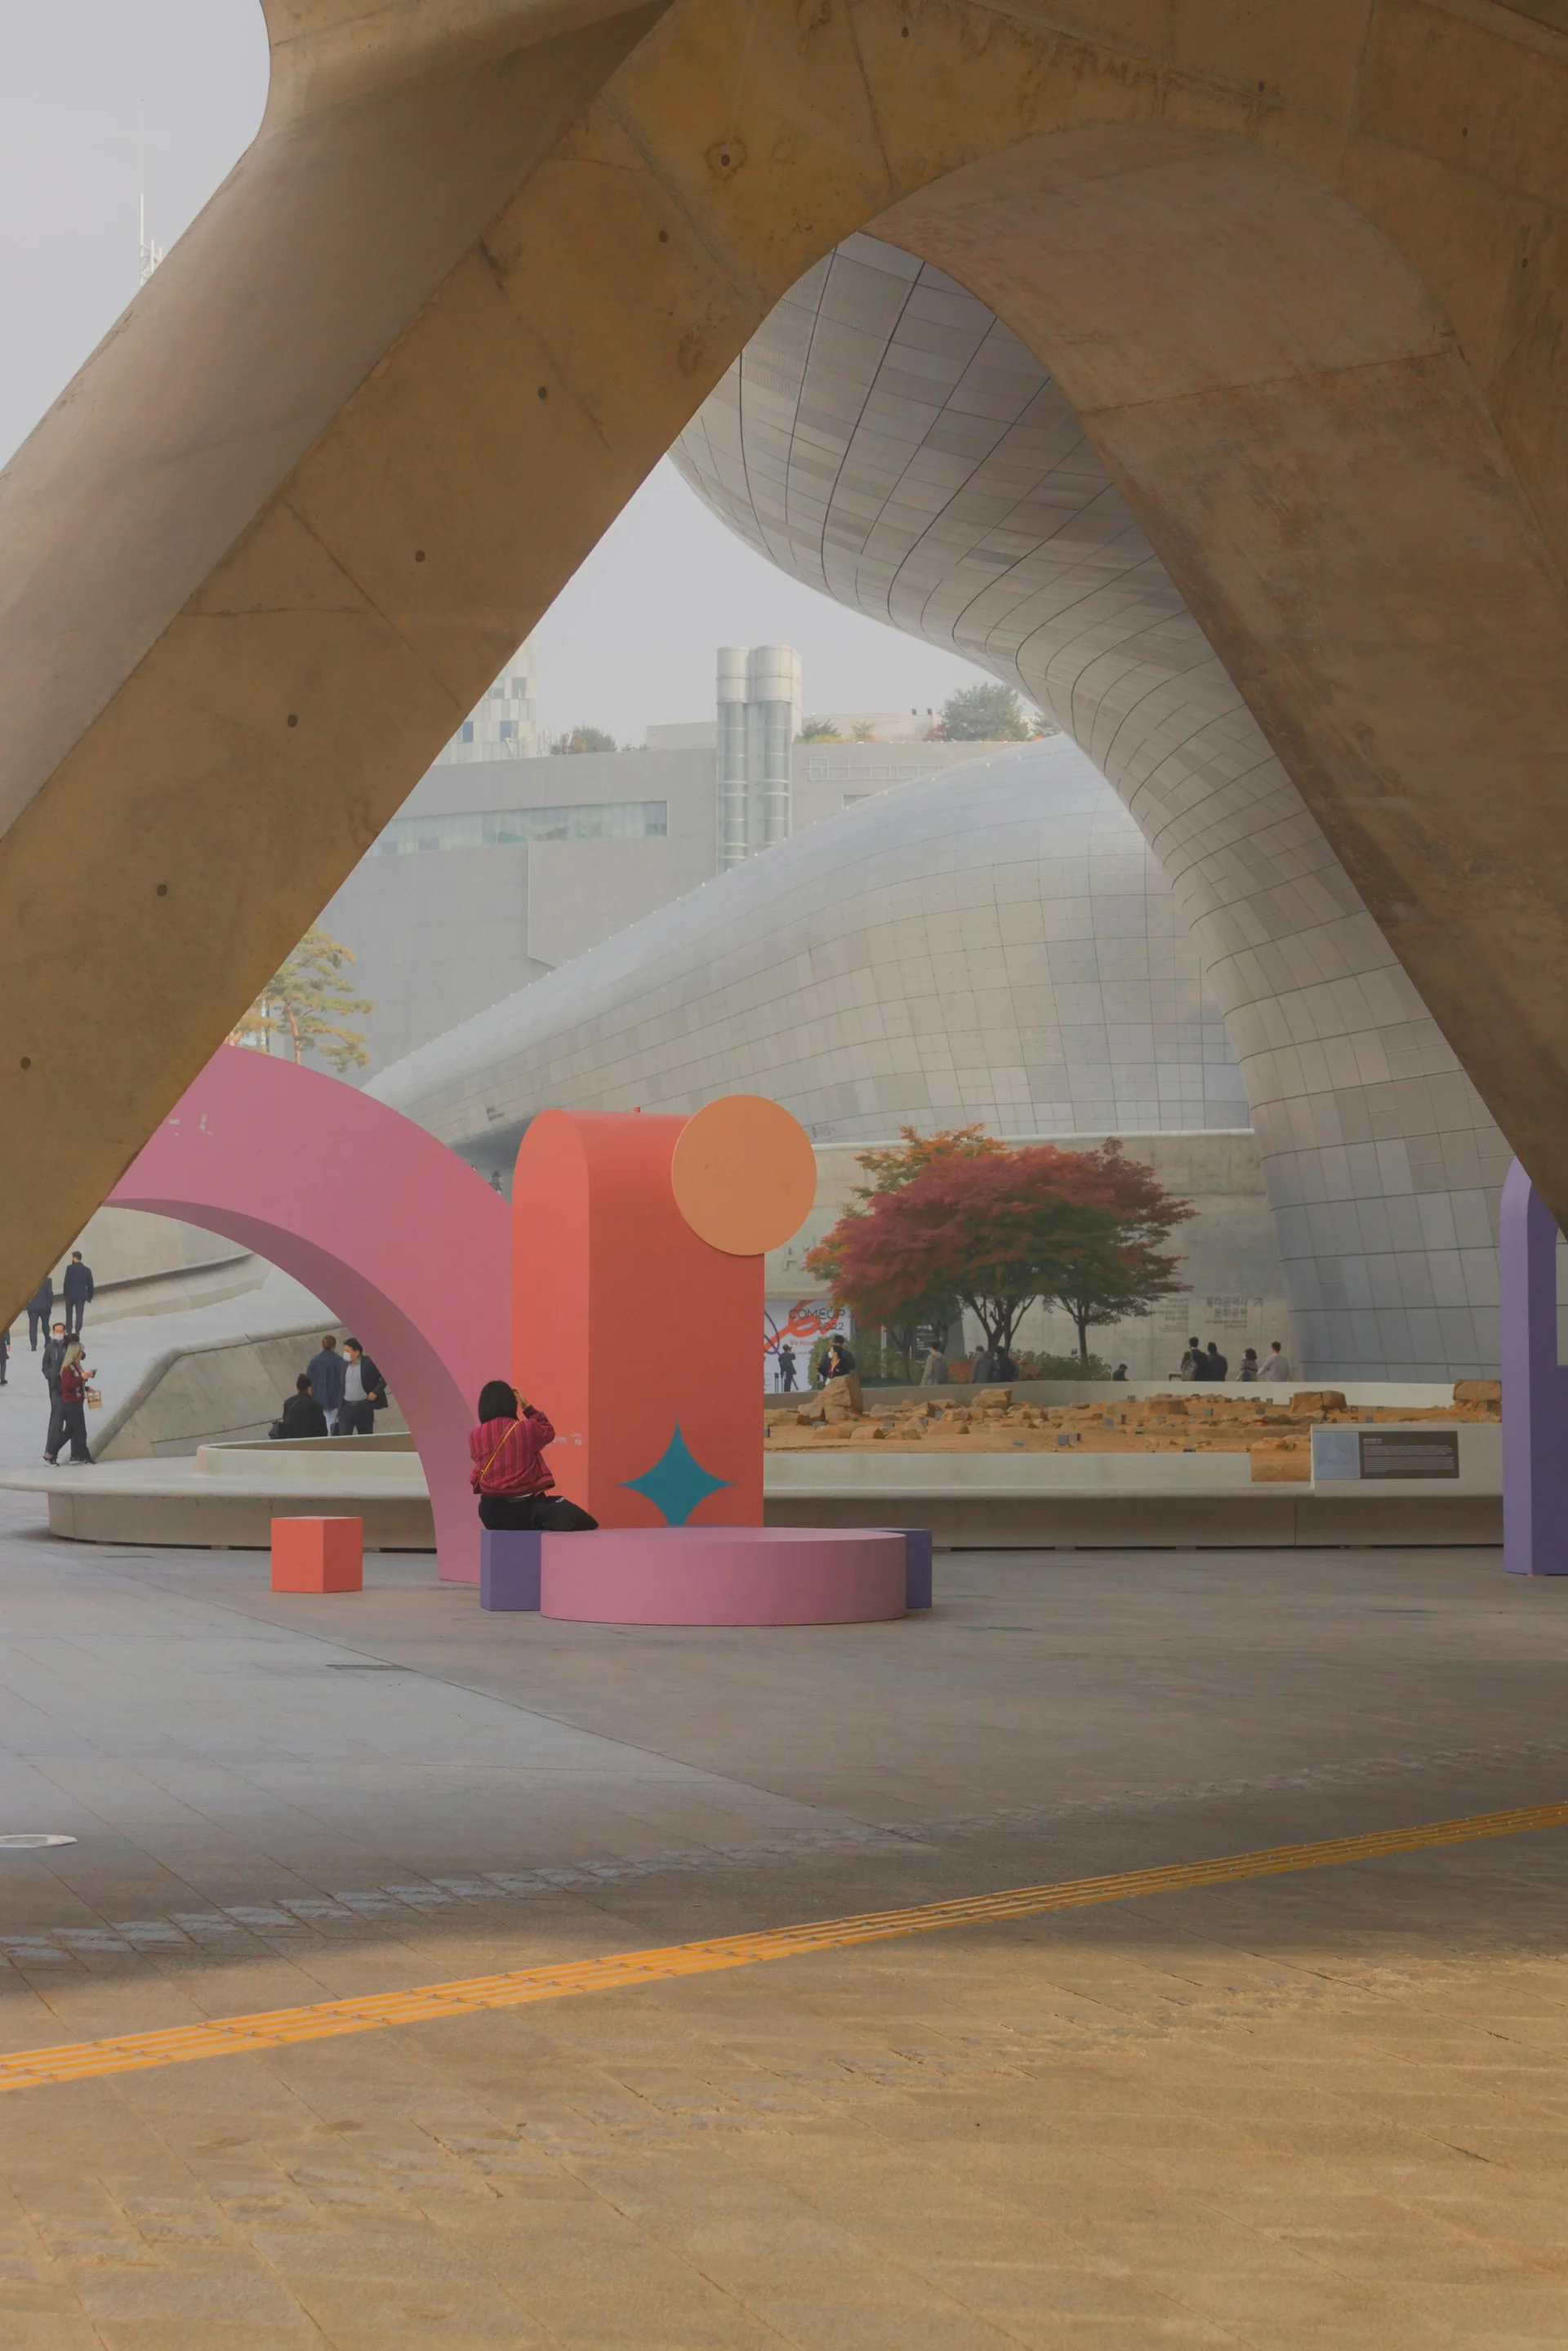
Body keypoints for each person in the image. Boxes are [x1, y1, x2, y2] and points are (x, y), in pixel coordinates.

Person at [469, 1380, 597, 1530]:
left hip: (490, 1513)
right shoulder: (525, 1429)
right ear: (511, 1403)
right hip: (523, 1511)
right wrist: (527, 1407)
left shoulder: (475, 1435)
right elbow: (548, 1431)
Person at [47, 1342, 93, 1467]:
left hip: (77, 1402)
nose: (81, 1355)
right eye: (80, 1352)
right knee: (80, 1431)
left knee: (70, 1431)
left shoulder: (77, 1366)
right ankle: (85, 1457)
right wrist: (82, 1378)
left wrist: (86, 1388)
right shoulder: (67, 1368)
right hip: (71, 1403)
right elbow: (67, 1385)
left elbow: (76, 1384)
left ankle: (50, 1453)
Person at [336, 1338, 387, 1436]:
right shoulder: (343, 1364)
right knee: (344, 1438)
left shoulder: (369, 1363)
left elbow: (385, 1376)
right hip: (346, 1408)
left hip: (364, 1407)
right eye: (344, 1350)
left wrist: (376, 1392)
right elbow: (340, 1384)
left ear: (356, 1352)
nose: (345, 1353)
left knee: (366, 1438)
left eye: (347, 1351)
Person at [40, 1320, 68, 1458]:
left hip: (67, 1385)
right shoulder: (50, 1347)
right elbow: (44, 1365)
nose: (59, 1334)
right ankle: (50, 1451)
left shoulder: (68, 1346)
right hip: (55, 1387)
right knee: (56, 1417)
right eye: (56, 1332)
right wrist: (49, 1375)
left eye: (61, 1331)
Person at [272, 1376, 327, 1440]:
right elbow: (323, 1431)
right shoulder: (316, 1405)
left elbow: (286, 1425)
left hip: (293, 1443)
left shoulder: (288, 1403)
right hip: (311, 1443)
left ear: (297, 1389)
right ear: (309, 1389)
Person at [306, 1334, 346, 1423]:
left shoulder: (315, 1360)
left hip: (318, 1399)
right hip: (334, 1400)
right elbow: (343, 1381)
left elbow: (308, 1379)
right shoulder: (339, 1361)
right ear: (334, 1346)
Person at [61, 1251, 94, 1338]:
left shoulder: (70, 1268)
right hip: (81, 1295)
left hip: (70, 1295)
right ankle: (78, 1330)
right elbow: (90, 1284)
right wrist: (90, 1296)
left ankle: (69, 1330)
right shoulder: (87, 1270)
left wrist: (65, 1294)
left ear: (74, 1258)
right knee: (79, 1313)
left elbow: (66, 1282)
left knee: (69, 1313)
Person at [26, 1276, 51, 1352]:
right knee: (45, 1324)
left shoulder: (29, 1280)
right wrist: (50, 1304)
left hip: (32, 1307)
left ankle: (33, 1345)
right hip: (44, 1307)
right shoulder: (48, 1280)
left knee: (33, 1326)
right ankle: (47, 1341)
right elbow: (49, 1293)